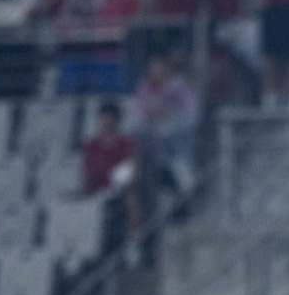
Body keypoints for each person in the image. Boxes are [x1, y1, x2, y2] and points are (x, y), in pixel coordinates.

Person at [127, 51, 200, 194]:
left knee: (176, 156)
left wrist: (169, 115)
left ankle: (184, 182)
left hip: (175, 142)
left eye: (159, 68)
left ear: (167, 69)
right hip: (149, 144)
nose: (156, 72)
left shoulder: (180, 87)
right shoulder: (143, 88)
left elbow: (192, 116)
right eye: (152, 68)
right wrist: (149, 115)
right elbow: (135, 115)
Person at [81, 101, 144, 238]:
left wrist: (118, 184)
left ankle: (134, 238)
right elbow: (86, 172)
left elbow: (133, 169)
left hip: (120, 189)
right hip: (96, 189)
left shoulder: (126, 143)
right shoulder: (91, 145)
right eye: (103, 119)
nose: (106, 123)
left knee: (131, 198)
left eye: (110, 120)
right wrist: (88, 187)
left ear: (117, 121)